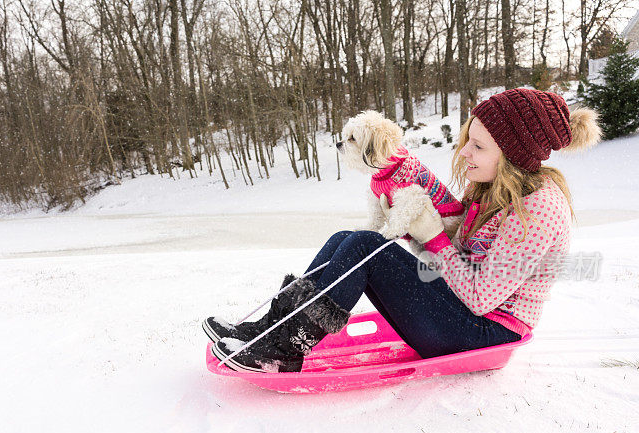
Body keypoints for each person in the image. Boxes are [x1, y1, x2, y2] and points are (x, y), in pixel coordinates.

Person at [205, 88, 602, 373]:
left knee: (365, 245)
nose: (464, 153)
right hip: (457, 310)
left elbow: (480, 296)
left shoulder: (539, 207)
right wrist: (416, 232)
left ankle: (285, 350)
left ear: (513, 153)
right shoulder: (490, 188)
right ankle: (268, 329)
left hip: (486, 333)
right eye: (468, 141)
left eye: (478, 146)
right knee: (347, 240)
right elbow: (450, 264)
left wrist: (433, 237)